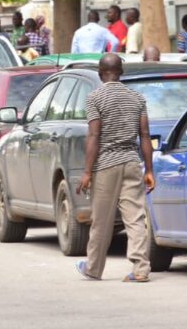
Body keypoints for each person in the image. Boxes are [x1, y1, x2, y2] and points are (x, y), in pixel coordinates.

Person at [75, 54, 155, 282]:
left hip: (106, 165)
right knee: (135, 218)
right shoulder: (137, 98)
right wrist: (149, 170)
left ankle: (93, 268)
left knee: (101, 220)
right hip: (131, 161)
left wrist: (88, 172)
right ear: (121, 72)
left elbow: (94, 135)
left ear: (101, 73)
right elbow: (145, 136)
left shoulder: (95, 98)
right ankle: (140, 268)